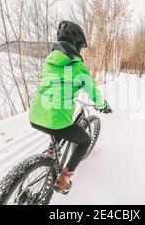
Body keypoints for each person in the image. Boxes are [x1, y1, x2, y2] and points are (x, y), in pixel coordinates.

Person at [29, 21, 112, 194]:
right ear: (75, 44)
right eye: (81, 46)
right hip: (56, 119)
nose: (81, 50)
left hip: (35, 115)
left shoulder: (48, 61)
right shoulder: (77, 66)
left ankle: (51, 152)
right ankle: (63, 180)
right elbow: (93, 93)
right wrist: (103, 106)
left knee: (58, 121)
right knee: (84, 141)